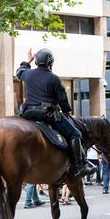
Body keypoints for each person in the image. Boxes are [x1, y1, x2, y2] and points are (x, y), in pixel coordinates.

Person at [16, 48, 96, 178]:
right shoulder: (54, 78)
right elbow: (63, 100)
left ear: (36, 61)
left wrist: (28, 61)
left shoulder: (28, 74)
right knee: (75, 134)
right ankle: (80, 167)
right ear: (51, 62)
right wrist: (67, 111)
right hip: (47, 115)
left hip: (28, 114)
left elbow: (19, 71)